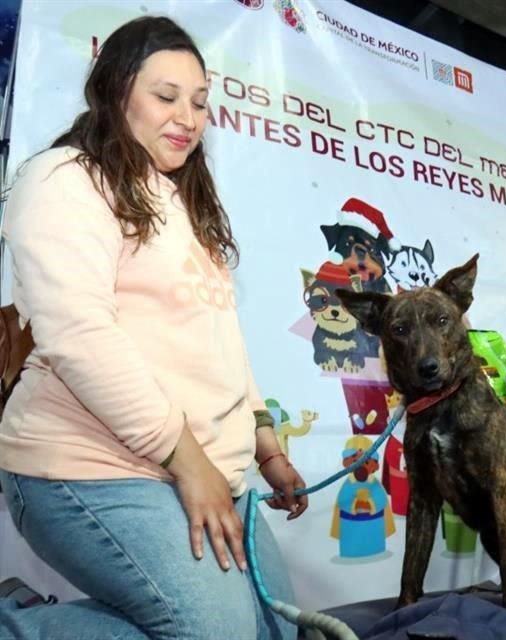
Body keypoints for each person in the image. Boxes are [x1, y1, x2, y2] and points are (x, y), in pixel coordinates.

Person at [0, 17, 307, 639]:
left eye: (198, 103)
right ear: (117, 92)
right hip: (87, 463)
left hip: (201, 464)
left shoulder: (183, 205)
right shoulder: (65, 177)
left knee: (282, 633)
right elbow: (79, 335)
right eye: (165, 97)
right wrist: (187, 459)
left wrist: (264, 442)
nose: (187, 118)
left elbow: (221, 341)